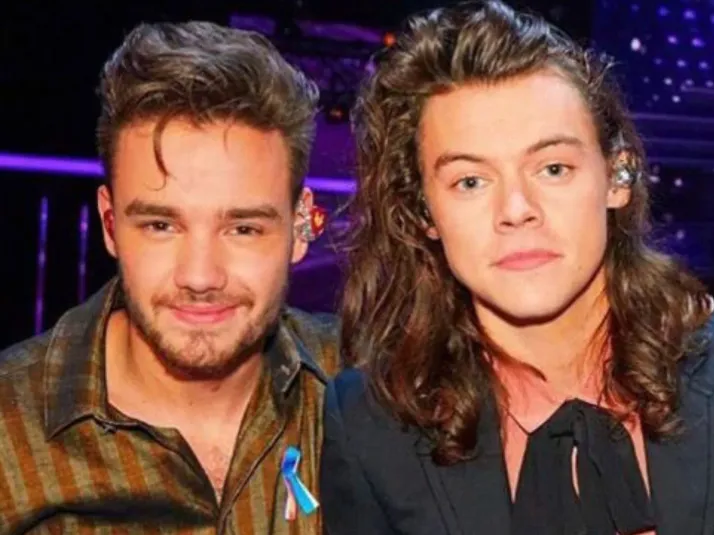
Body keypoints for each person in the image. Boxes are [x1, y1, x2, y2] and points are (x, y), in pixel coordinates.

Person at [320, 2, 714, 534]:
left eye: (552, 168)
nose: (515, 209)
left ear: (617, 177)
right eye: (470, 181)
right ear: (424, 213)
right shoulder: (370, 428)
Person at [0, 21, 338, 533]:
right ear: (110, 225)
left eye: (243, 228)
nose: (200, 277)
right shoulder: (10, 426)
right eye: (161, 226)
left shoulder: (372, 390)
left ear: (299, 226)